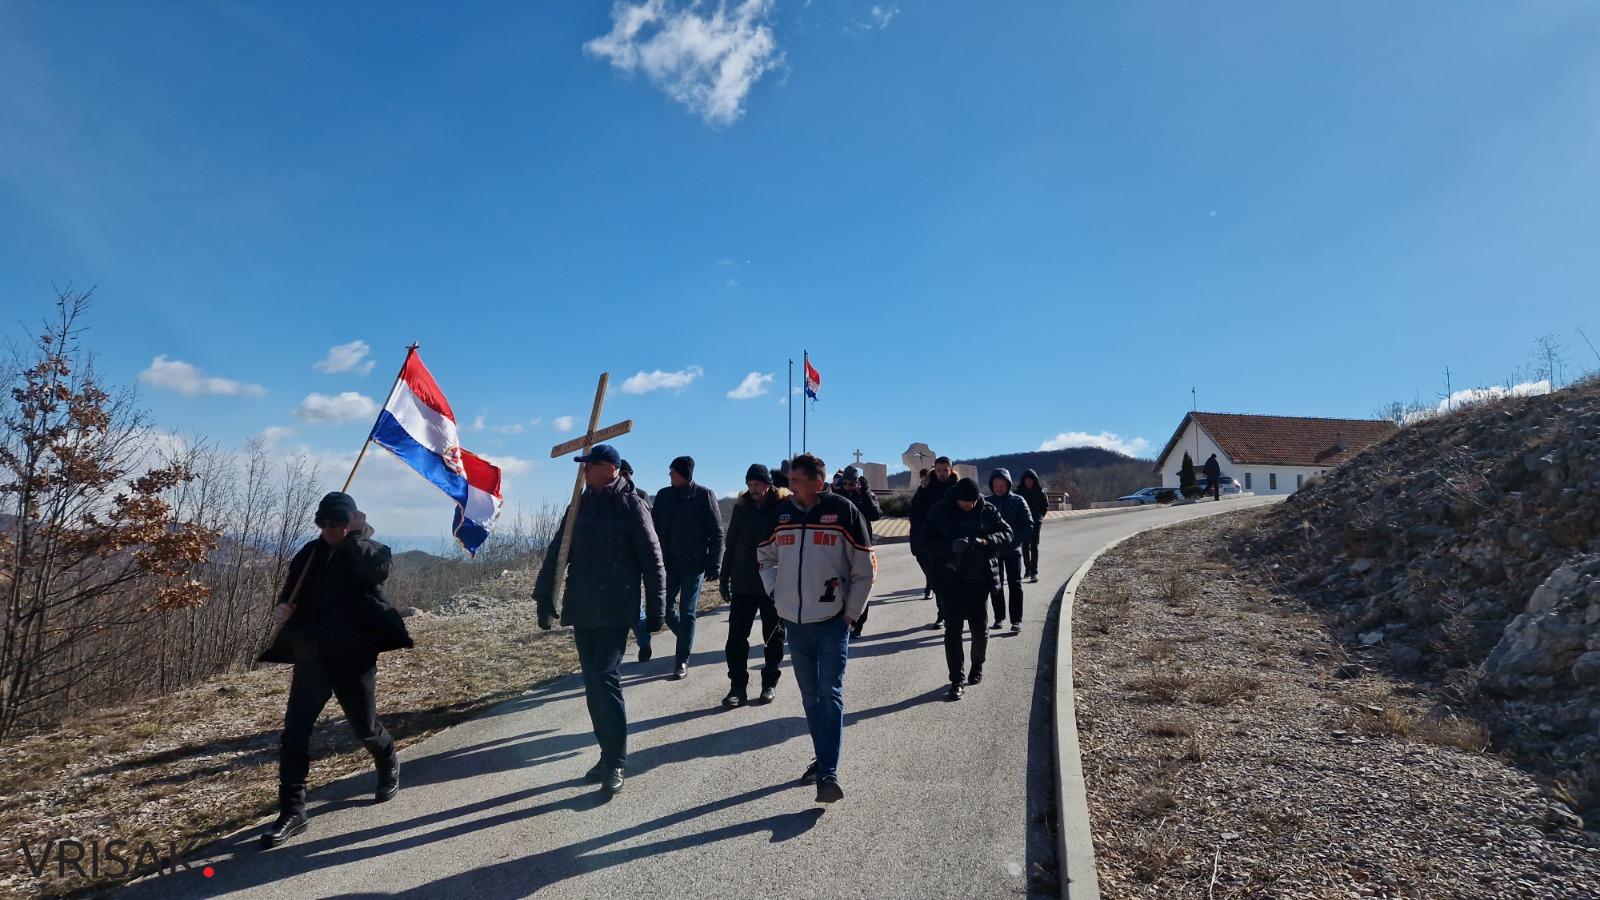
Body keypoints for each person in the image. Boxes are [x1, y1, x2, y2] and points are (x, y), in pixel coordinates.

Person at [258, 492, 413, 848]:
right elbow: (289, 594)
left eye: (337, 524)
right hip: (312, 657)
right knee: (294, 733)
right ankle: (292, 811)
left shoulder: (369, 550)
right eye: (323, 524)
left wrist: (356, 536)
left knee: (364, 728)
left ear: (350, 522)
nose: (329, 530)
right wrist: (283, 608)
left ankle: (387, 757)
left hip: (353, 657)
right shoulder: (309, 554)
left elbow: (377, 572)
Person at [534, 444, 666, 795]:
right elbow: (558, 551)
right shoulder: (581, 504)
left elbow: (652, 559)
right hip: (583, 605)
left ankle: (617, 761)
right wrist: (545, 597)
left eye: (589, 465)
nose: (584, 471)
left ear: (609, 469)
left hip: (616, 605)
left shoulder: (631, 504)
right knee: (592, 684)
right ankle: (606, 753)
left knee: (605, 679)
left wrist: (657, 608)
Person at [758, 453, 875, 803]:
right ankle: (823, 759)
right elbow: (765, 557)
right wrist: (778, 593)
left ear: (817, 482)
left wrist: (851, 613)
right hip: (794, 622)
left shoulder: (844, 512)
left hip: (832, 622)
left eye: (795, 480)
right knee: (810, 697)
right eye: (788, 479)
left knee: (830, 693)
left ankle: (828, 772)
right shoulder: (781, 514)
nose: (788, 486)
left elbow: (864, 567)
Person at [921, 477, 1011, 701]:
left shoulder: (987, 509)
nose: (969, 506)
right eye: (965, 502)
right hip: (950, 580)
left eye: (973, 501)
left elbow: (1007, 533)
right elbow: (926, 542)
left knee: (980, 629)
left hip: (979, 580)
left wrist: (989, 540)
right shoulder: (940, 511)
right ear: (956, 498)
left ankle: (977, 666)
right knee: (953, 631)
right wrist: (950, 546)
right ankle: (956, 680)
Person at [719, 464, 790, 708]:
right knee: (736, 639)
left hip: (772, 583)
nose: (753, 489)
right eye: (749, 485)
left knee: (774, 637)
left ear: (768, 484)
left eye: (757, 484)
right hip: (743, 582)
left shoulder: (783, 507)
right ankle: (737, 687)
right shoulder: (742, 507)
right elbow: (731, 545)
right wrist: (724, 577)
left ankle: (769, 681)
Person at [648, 455, 724, 679]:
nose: (669, 475)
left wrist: (715, 562)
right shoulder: (663, 495)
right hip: (668, 563)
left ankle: (681, 660)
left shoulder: (704, 495)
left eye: (672, 471)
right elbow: (653, 528)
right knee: (664, 608)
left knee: (688, 611)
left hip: (695, 564)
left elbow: (717, 533)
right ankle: (685, 637)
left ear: (683, 474)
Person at [910, 456, 960, 627]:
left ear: (951, 470)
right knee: (938, 580)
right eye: (939, 470)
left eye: (945, 470)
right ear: (934, 470)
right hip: (933, 544)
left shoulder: (958, 488)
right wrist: (923, 533)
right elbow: (914, 514)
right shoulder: (925, 488)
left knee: (955, 580)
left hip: (954, 542)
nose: (942, 473)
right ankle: (942, 614)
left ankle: (955, 613)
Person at [835, 465, 882, 639]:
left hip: (862, 546)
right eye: (845, 483)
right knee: (840, 585)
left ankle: (858, 623)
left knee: (861, 584)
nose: (848, 487)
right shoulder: (838, 495)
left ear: (857, 482)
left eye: (851, 483)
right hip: (840, 547)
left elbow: (875, 514)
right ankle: (842, 621)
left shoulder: (866, 494)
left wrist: (865, 494)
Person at [985, 468, 1034, 634]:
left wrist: (1014, 541)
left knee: (1015, 585)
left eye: (1002, 485)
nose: (999, 488)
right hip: (994, 552)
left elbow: (1028, 525)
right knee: (995, 586)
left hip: (1013, 551)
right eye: (996, 485)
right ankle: (999, 618)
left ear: (1008, 484)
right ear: (992, 485)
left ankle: (1016, 620)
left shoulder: (1018, 501)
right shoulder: (986, 502)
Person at [1017, 469, 1048, 583]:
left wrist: (1039, 518)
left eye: (1031, 480)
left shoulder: (1040, 492)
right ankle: (1027, 569)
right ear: (1024, 481)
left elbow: (1045, 506)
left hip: (1035, 522)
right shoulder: (1019, 492)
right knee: (1025, 546)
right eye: (1027, 480)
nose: (1029, 482)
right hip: (1023, 523)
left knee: (1034, 547)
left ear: (1034, 481)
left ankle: (1034, 572)